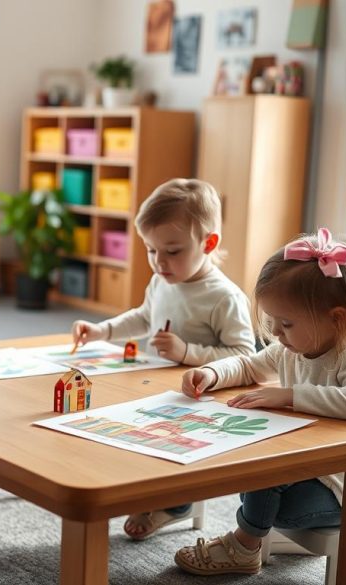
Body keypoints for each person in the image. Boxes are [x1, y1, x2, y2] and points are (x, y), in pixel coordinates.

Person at [174, 228, 346, 576]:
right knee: (254, 471)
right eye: (272, 321)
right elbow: (247, 364)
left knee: (265, 477)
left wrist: (290, 396)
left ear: (337, 318)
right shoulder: (290, 349)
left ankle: (244, 546)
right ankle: (254, 529)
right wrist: (212, 373)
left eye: (286, 323)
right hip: (304, 470)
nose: (275, 333)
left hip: (341, 487)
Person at [71, 178, 257, 541]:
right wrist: (102, 331)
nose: (159, 262)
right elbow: (143, 316)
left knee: (169, 444)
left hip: (201, 399)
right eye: (151, 251)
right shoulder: (162, 281)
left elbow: (244, 357)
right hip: (159, 386)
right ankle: (149, 491)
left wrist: (187, 353)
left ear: (209, 243)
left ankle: (176, 504)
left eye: (172, 251)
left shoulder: (225, 297)